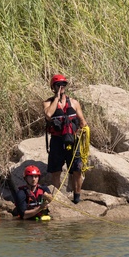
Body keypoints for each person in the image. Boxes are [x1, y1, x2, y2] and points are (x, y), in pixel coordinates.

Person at [43, 73, 88, 204]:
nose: (61, 87)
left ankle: (77, 197)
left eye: (63, 85)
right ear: (53, 87)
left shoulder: (74, 103)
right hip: (57, 140)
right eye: (58, 85)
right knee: (56, 171)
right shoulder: (48, 103)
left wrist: (83, 129)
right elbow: (48, 115)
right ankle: (58, 199)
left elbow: (82, 120)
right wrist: (57, 98)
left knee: (77, 169)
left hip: (72, 140)